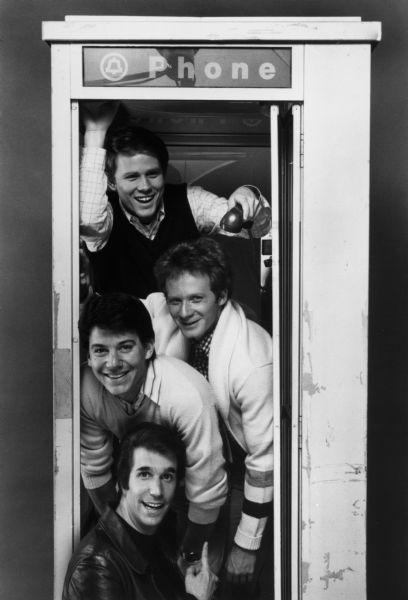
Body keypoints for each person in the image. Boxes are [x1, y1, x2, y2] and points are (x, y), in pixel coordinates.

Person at [142, 237, 273, 595]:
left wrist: (247, 544)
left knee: (232, 581)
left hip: (238, 477)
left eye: (196, 298)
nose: (184, 311)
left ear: (222, 296)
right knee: (185, 574)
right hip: (192, 472)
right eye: (176, 300)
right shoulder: (161, 312)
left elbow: (264, 462)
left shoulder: (251, 360)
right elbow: (136, 309)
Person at [78, 292, 228, 566]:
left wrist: (189, 556)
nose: (112, 363)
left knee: (197, 578)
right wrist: (124, 541)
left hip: (198, 493)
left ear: (148, 347)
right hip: (141, 481)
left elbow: (206, 493)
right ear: (88, 353)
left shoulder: (187, 396)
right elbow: (95, 469)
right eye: (100, 350)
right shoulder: (86, 388)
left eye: (125, 347)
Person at [80, 101, 271, 297]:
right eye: (132, 177)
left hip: (183, 324)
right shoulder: (105, 213)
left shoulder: (188, 199)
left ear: (164, 173)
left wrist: (249, 195)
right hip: (121, 325)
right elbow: (89, 223)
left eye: (152, 174)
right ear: (112, 182)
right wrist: (95, 133)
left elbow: (248, 228)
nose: (145, 187)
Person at [63, 422, 219, 600]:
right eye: (144, 474)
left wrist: (182, 583)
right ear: (123, 482)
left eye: (167, 477)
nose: (157, 491)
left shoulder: (152, 544)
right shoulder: (96, 565)